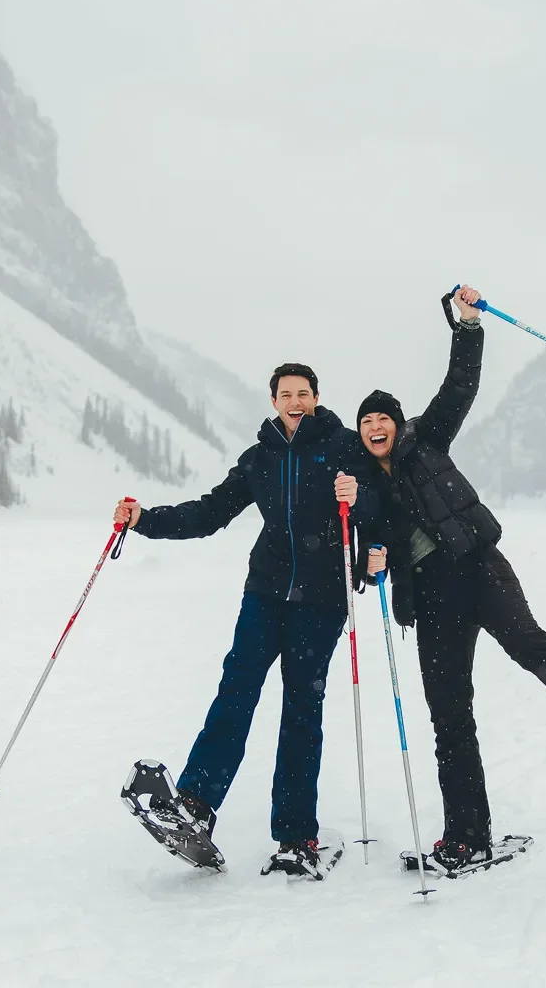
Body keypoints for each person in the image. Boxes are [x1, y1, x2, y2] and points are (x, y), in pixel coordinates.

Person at [356, 286, 546, 875]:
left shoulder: (428, 440)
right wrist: (367, 565)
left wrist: (466, 326)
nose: (375, 427)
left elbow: (458, 387)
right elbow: (364, 551)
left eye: (382, 417)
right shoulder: (363, 488)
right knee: (448, 714)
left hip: (477, 568)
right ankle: (466, 836)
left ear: (397, 423)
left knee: (529, 645)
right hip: (430, 597)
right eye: (366, 421)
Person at [114, 362, 377, 875]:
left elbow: (376, 508)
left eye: (304, 393)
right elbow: (210, 512)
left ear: (317, 398)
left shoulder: (345, 447)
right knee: (236, 690)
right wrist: (146, 520)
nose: (295, 401)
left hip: (322, 600)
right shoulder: (259, 459)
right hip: (266, 594)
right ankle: (195, 806)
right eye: (286, 394)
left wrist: (359, 501)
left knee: (302, 710)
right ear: (274, 401)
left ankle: (297, 836)